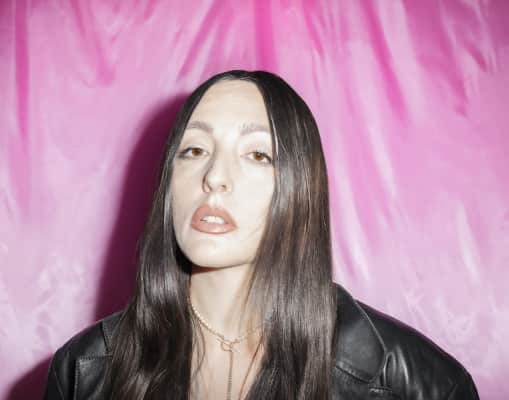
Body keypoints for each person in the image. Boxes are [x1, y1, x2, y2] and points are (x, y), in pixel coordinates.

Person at [43, 70, 479, 399]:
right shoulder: (83, 371)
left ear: (299, 188)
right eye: (194, 149)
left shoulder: (419, 384)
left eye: (257, 155)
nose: (215, 176)